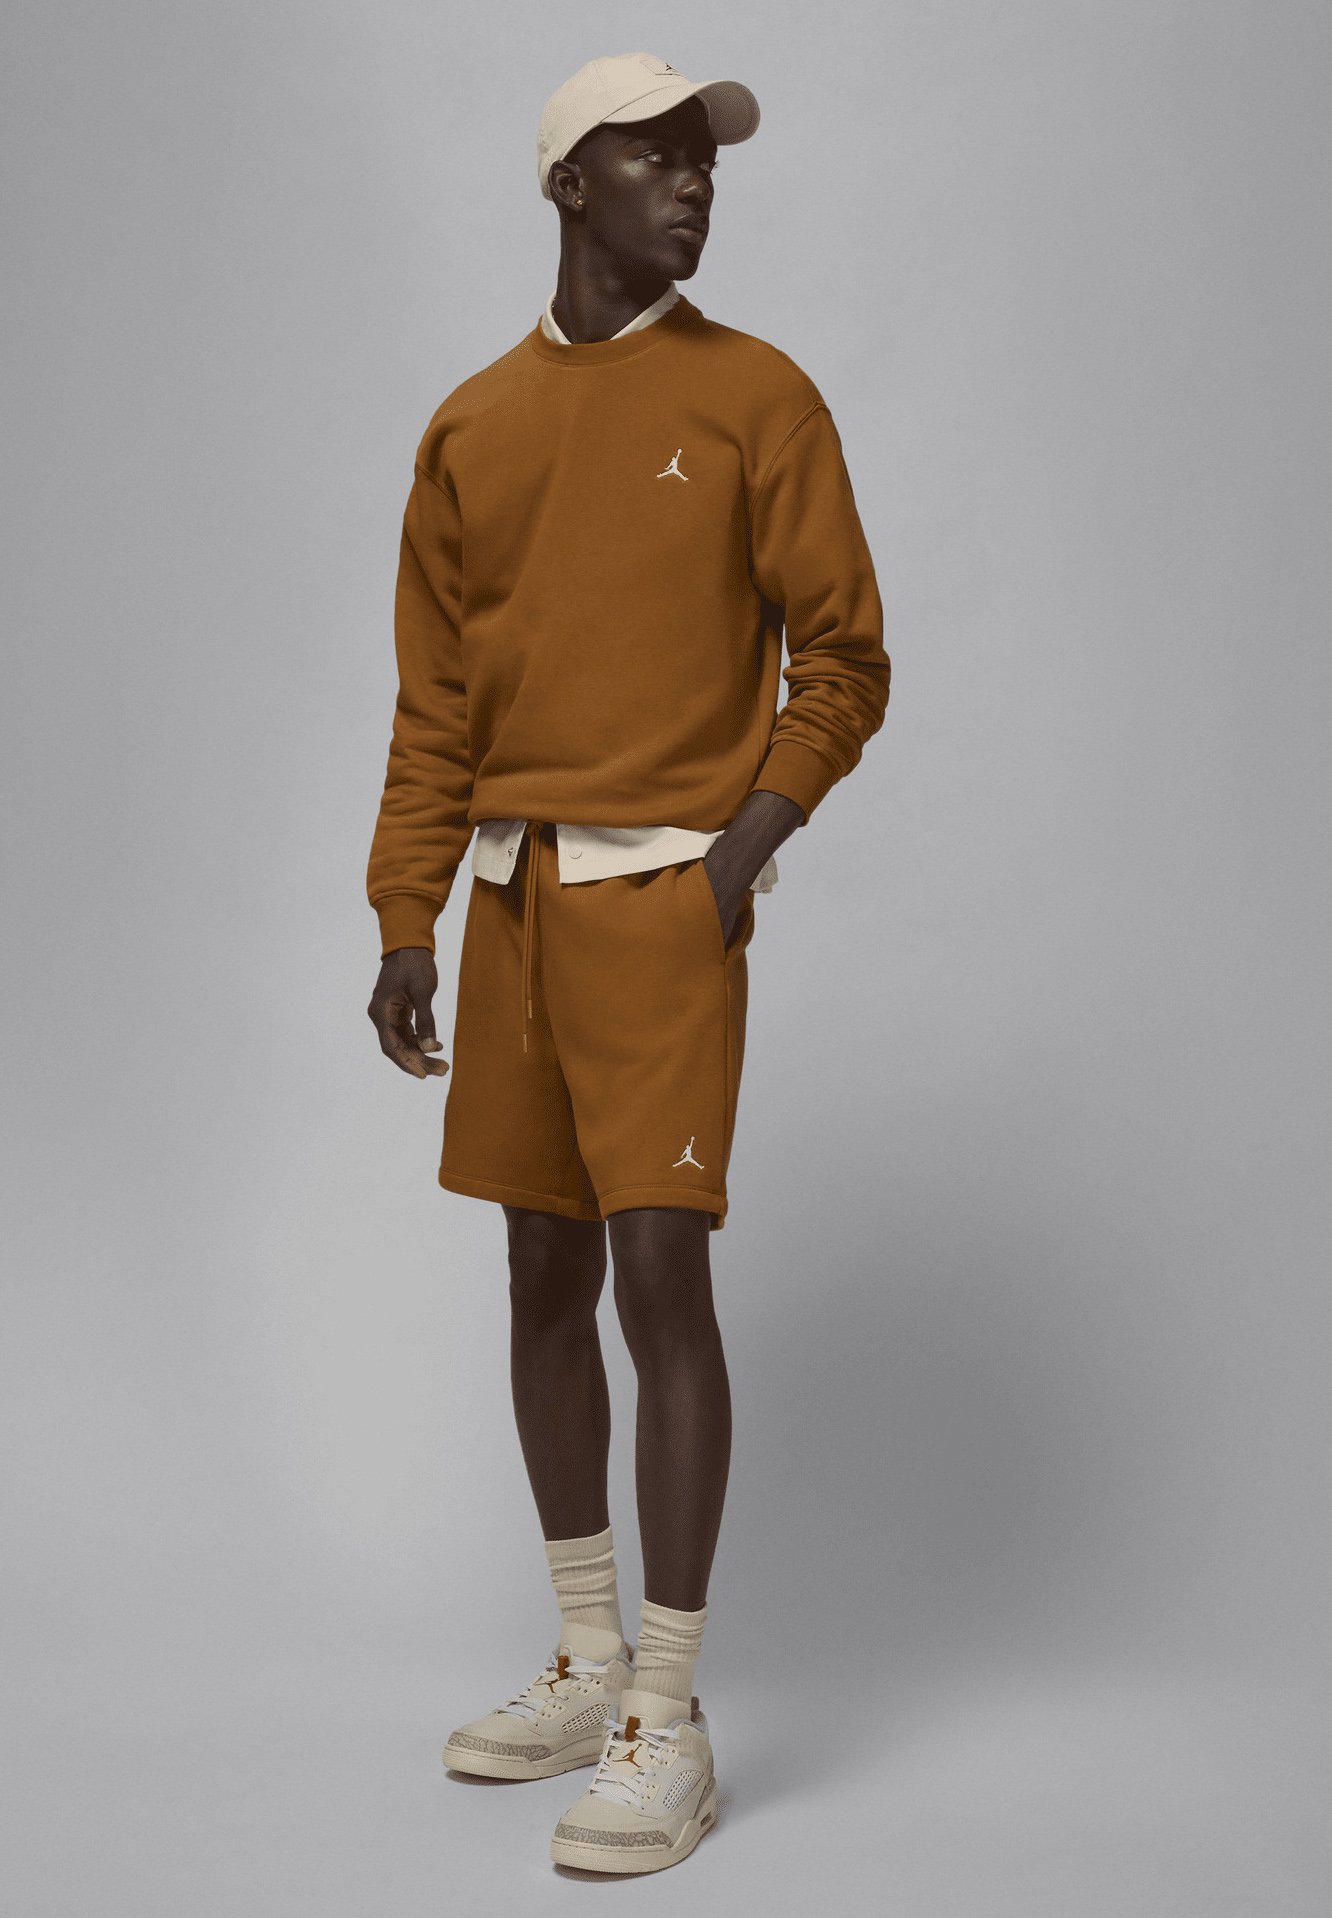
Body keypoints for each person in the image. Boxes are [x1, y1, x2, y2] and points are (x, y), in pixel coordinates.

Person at [365, 50, 890, 1876]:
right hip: (510, 900)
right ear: (567, 185)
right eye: (656, 159)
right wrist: (407, 914)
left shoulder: (759, 398)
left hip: (663, 899)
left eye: (703, 161)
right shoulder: (471, 426)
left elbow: (845, 655)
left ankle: (671, 1706)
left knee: (662, 1273)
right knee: (540, 1270)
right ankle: (589, 1657)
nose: (696, 184)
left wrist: (735, 860)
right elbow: (436, 704)